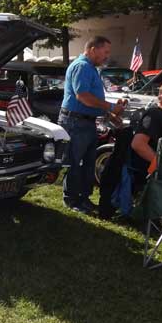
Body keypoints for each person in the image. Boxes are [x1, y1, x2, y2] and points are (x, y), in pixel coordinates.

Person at [59, 36, 126, 213]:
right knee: (76, 162)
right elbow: (83, 96)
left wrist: (110, 115)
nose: (107, 56)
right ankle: (72, 199)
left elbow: (92, 100)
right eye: (105, 52)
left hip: (85, 122)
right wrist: (111, 107)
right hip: (76, 122)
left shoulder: (90, 68)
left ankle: (83, 198)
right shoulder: (82, 66)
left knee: (87, 163)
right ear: (93, 49)